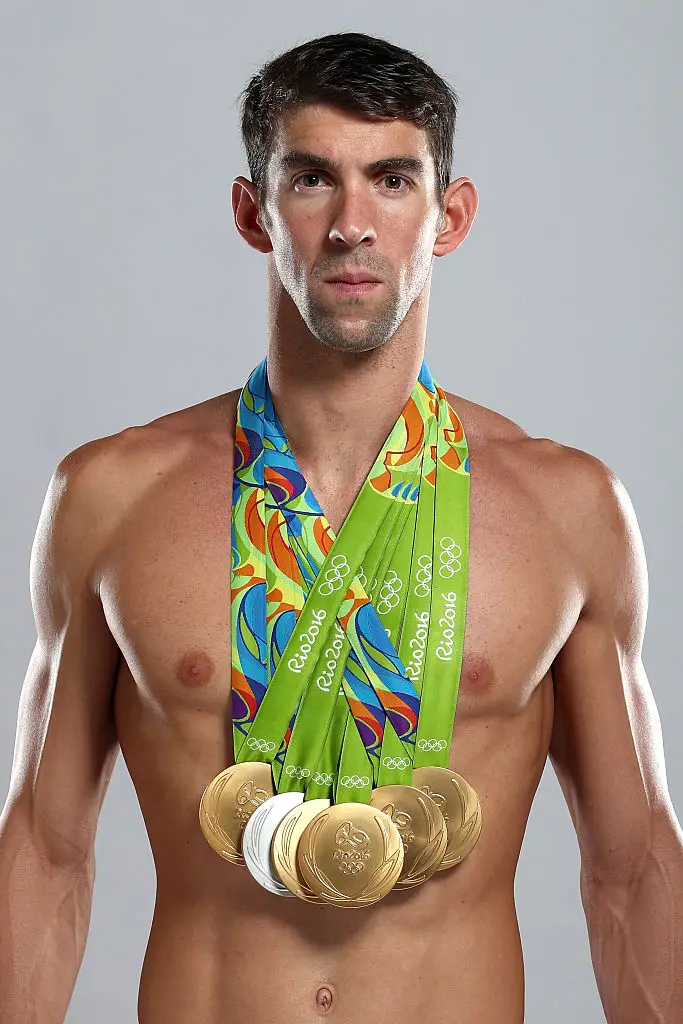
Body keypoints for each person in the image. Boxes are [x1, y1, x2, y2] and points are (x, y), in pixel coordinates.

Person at [1, 29, 681, 1024]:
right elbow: (46, 851)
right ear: (254, 213)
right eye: (312, 179)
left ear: (449, 216)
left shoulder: (567, 509)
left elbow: (630, 870)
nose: (351, 225)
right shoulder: (112, 494)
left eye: (392, 181)